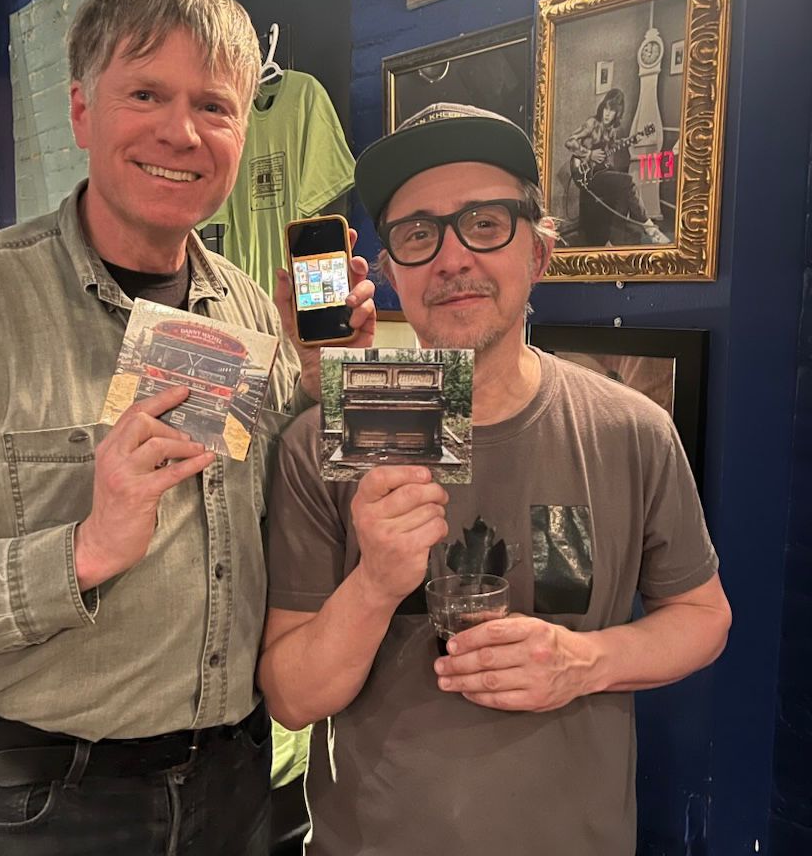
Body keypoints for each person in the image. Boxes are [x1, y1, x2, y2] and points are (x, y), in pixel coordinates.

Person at [0, 0, 374, 856]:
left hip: (239, 786)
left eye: (214, 106)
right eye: (146, 94)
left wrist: (321, 380)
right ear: (81, 112)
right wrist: (81, 554)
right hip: (47, 805)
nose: (182, 131)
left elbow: (288, 525)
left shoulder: (253, 311)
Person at [257, 102, 731, 854]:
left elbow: (703, 617)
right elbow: (291, 697)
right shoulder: (328, 436)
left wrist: (585, 662)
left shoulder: (629, 429)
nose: (453, 259)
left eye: (485, 223)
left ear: (538, 253)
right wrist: (376, 583)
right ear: (390, 275)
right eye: (419, 234)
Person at [565, 87, 669, 246]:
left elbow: (613, 146)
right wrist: (589, 154)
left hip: (600, 170)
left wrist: (635, 138)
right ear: (602, 107)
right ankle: (650, 228)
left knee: (624, 188)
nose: (607, 114)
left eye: (612, 110)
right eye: (606, 108)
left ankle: (612, 239)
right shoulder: (592, 123)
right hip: (585, 173)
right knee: (628, 181)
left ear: (617, 113)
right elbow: (570, 141)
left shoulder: (611, 130)